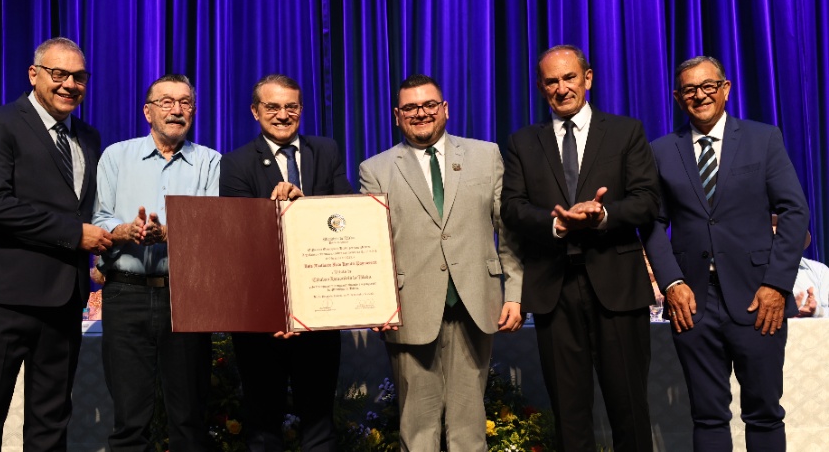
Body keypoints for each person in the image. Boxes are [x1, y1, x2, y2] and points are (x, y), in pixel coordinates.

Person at [642, 56, 809, 451]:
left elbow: (794, 211)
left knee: (764, 412)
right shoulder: (662, 150)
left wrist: (776, 284)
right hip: (693, 301)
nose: (700, 95)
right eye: (689, 90)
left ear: (726, 88)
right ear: (678, 98)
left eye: (708, 86)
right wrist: (671, 282)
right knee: (708, 415)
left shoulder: (763, 138)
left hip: (758, 298)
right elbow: (650, 224)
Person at [0, 37, 112, 451]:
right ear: (34, 74)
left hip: (63, 301)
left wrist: (121, 231)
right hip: (4, 298)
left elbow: (89, 208)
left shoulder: (90, 137)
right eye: (58, 74)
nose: (69, 85)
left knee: (51, 422)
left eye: (79, 77)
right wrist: (75, 234)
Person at [501, 45, 659, 451]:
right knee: (569, 416)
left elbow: (646, 201)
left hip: (618, 289)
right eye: (551, 81)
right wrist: (556, 223)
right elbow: (513, 209)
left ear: (587, 79)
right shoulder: (522, 142)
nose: (562, 88)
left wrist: (602, 216)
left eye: (569, 78)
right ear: (541, 87)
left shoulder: (626, 131)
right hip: (554, 291)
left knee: (630, 410)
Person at [359, 73, 523, 450]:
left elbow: (509, 235)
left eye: (429, 105)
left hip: (476, 306)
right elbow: (372, 247)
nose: (421, 113)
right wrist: (374, 304)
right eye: (411, 108)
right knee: (417, 432)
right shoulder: (375, 169)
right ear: (397, 115)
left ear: (445, 109)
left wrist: (513, 293)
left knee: (470, 430)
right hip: (409, 311)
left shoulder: (486, 155)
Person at [220, 74, 353, 451]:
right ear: (255, 112)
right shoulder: (235, 164)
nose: (283, 115)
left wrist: (304, 203)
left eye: (291, 106)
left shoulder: (325, 151)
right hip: (261, 324)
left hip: (319, 317)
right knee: (263, 427)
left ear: (301, 109)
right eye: (272, 107)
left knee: (320, 425)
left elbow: (345, 218)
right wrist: (273, 312)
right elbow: (240, 246)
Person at [92, 74, 220, 451]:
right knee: (129, 420)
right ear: (147, 112)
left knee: (189, 419)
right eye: (166, 102)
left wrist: (171, 236)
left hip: (185, 296)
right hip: (125, 294)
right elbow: (99, 218)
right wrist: (124, 230)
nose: (177, 110)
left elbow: (215, 230)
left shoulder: (211, 162)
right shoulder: (116, 156)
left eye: (185, 103)